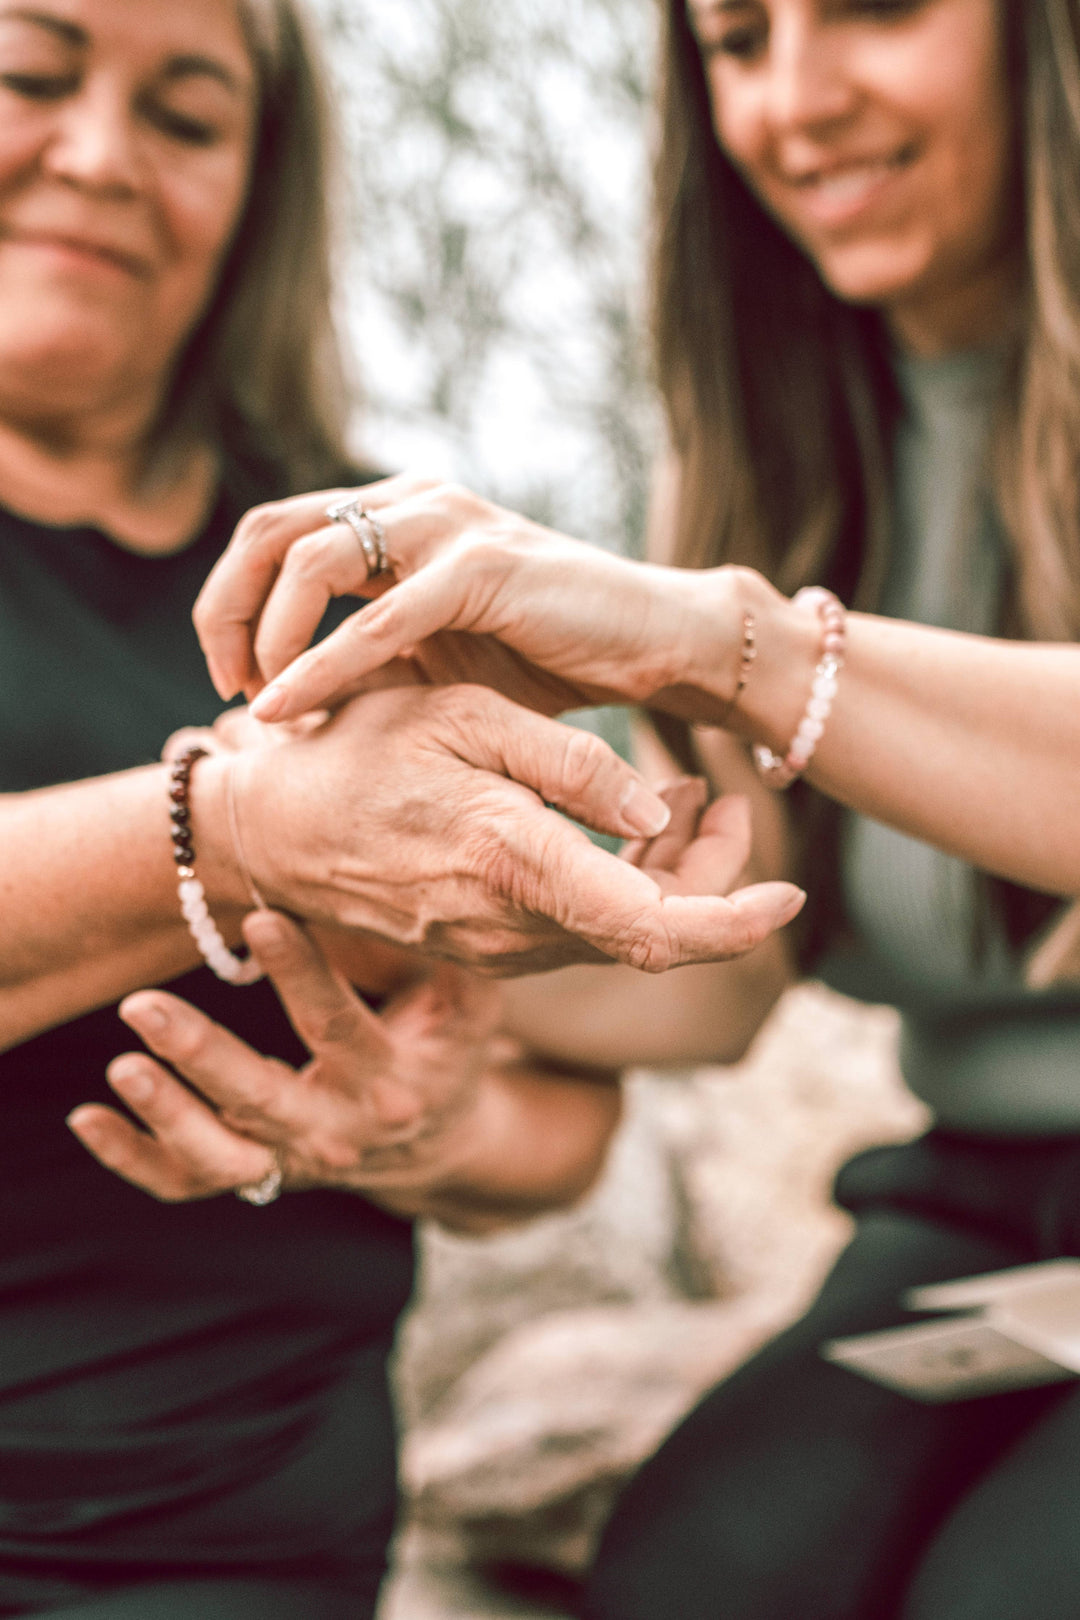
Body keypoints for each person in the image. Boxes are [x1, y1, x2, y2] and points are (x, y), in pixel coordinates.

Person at [186, 2, 1080, 1616]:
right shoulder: (790, 423)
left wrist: (730, 639)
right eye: (737, 43)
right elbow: (733, 969)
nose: (797, 102)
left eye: (873, 11)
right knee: (706, 1567)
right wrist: (356, 881)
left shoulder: (738, 608)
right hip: (990, 1202)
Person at [0, 0, 810, 1614]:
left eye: (186, 116)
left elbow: (600, 1086)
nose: (98, 157)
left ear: (262, 185)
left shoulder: (358, 569)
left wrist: (430, 1128)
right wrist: (227, 834)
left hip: (224, 1526)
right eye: (30, 75)